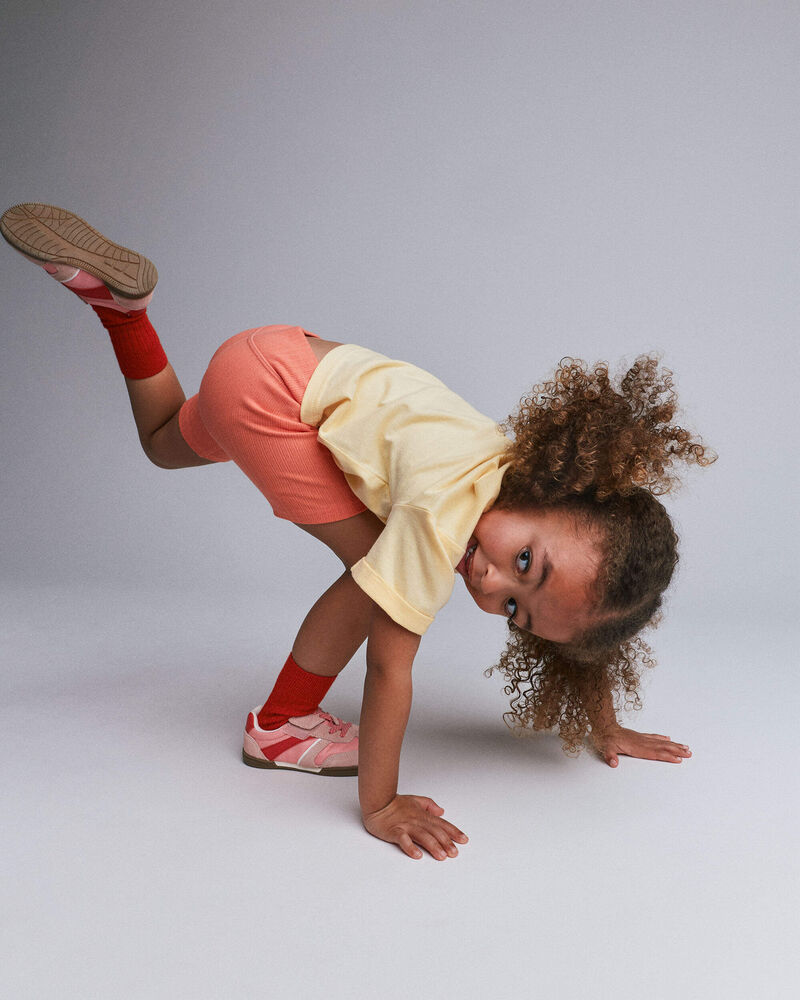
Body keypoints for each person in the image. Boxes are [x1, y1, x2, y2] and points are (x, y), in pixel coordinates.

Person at [1, 203, 714, 862]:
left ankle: (124, 313)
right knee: (377, 576)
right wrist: (380, 804)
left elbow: (579, 604)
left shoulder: (504, 466)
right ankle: (280, 724)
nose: (490, 583)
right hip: (269, 400)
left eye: (513, 611)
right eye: (523, 561)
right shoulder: (441, 521)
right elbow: (388, 668)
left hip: (280, 353)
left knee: (163, 441)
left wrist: (603, 718)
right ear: (553, 494)